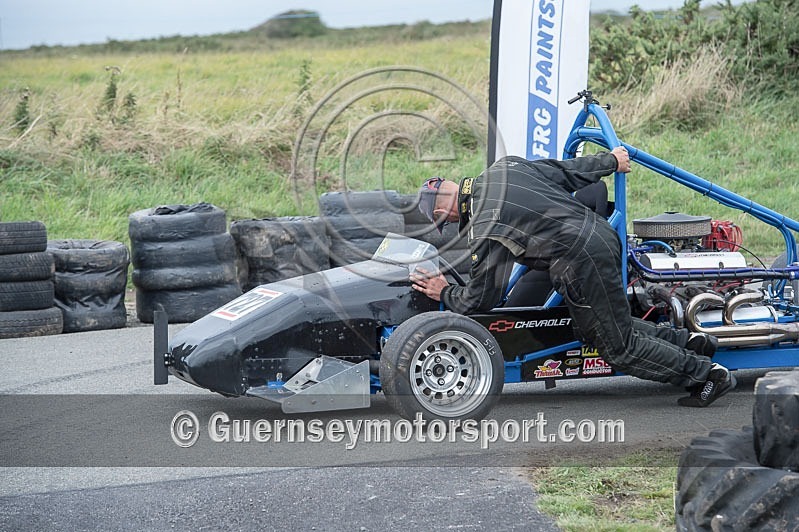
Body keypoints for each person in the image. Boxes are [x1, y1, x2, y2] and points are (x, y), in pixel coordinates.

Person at [411, 147, 736, 407]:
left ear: (443, 213)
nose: (453, 224)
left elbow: (482, 299)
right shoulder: (505, 168)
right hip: (602, 237)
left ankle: (706, 375)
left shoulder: (484, 224)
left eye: (447, 222)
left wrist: (444, 292)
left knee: (618, 347)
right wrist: (610, 160)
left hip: (579, 261)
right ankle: (688, 343)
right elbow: (567, 172)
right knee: (594, 326)